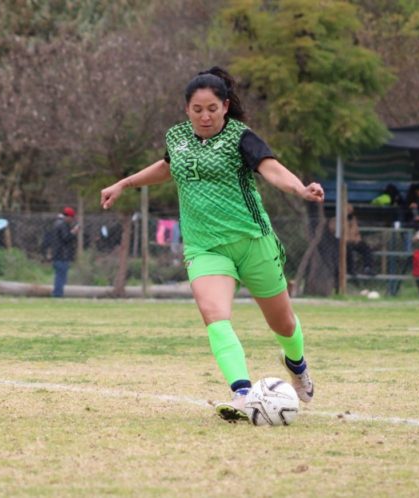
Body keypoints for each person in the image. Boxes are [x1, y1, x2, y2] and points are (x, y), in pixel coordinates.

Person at [100, 67, 323, 422]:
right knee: (214, 316)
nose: (205, 116)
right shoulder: (177, 137)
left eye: (212, 109)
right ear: (186, 109)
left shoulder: (241, 137)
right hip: (204, 248)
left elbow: (271, 168)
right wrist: (124, 183)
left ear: (225, 106)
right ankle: (242, 393)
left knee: (282, 323)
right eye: (197, 109)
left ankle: (296, 364)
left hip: (252, 241)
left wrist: (300, 188)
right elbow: (168, 167)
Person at [50, 207, 79, 297]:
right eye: (71, 218)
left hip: (57, 253)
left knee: (59, 275)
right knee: (61, 276)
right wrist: (73, 232)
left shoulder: (56, 223)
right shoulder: (63, 225)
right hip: (62, 254)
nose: (72, 220)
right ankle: (58, 294)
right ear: (68, 217)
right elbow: (66, 238)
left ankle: (58, 293)